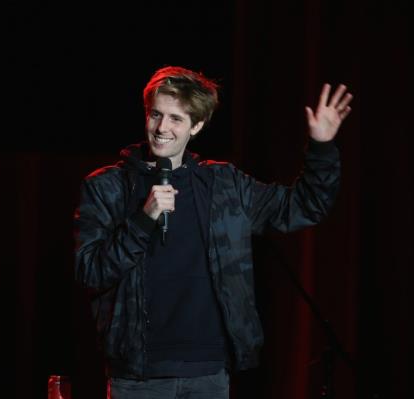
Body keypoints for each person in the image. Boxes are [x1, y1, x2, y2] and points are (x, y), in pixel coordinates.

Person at [73, 65, 353, 399]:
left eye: (176, 118)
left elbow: (304, 207)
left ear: (198, 125)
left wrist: (322, 147)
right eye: (156, 115)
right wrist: (143, 219)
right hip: (138, 375)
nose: (162, 127)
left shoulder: (224, 185)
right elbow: (90, 271)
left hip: (207, 372)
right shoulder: (107, 188)